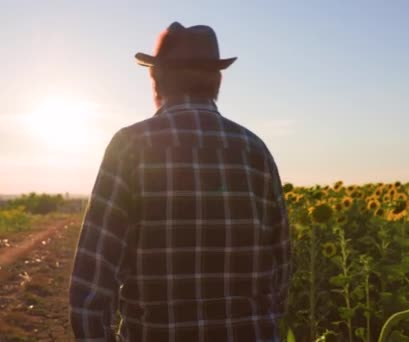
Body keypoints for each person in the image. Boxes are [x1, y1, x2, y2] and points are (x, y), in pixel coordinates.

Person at [69, 22, 291, 342]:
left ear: (156, 79)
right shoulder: (254, 149)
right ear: (217, 79)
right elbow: (280, 263)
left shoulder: (132, 146)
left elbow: (93, 277)